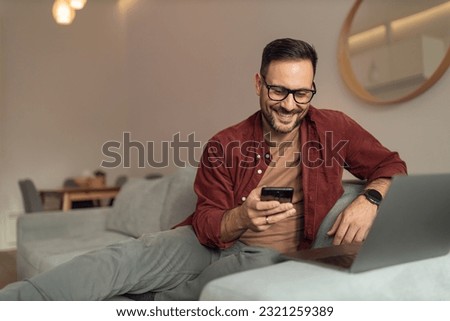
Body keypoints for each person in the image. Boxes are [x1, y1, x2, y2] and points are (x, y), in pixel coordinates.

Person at [0, 38, 406, 301]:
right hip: (206, 238)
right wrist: (243, 216)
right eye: (278, 90)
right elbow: (209, 222)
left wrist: (371, 198)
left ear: (312, 89)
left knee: (191, 296)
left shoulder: (335, 126)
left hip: (268, 256)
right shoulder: (225, 143)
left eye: (302, 92)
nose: (289, 104)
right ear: (258, 84)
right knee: (121, 259)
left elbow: (392, 165)